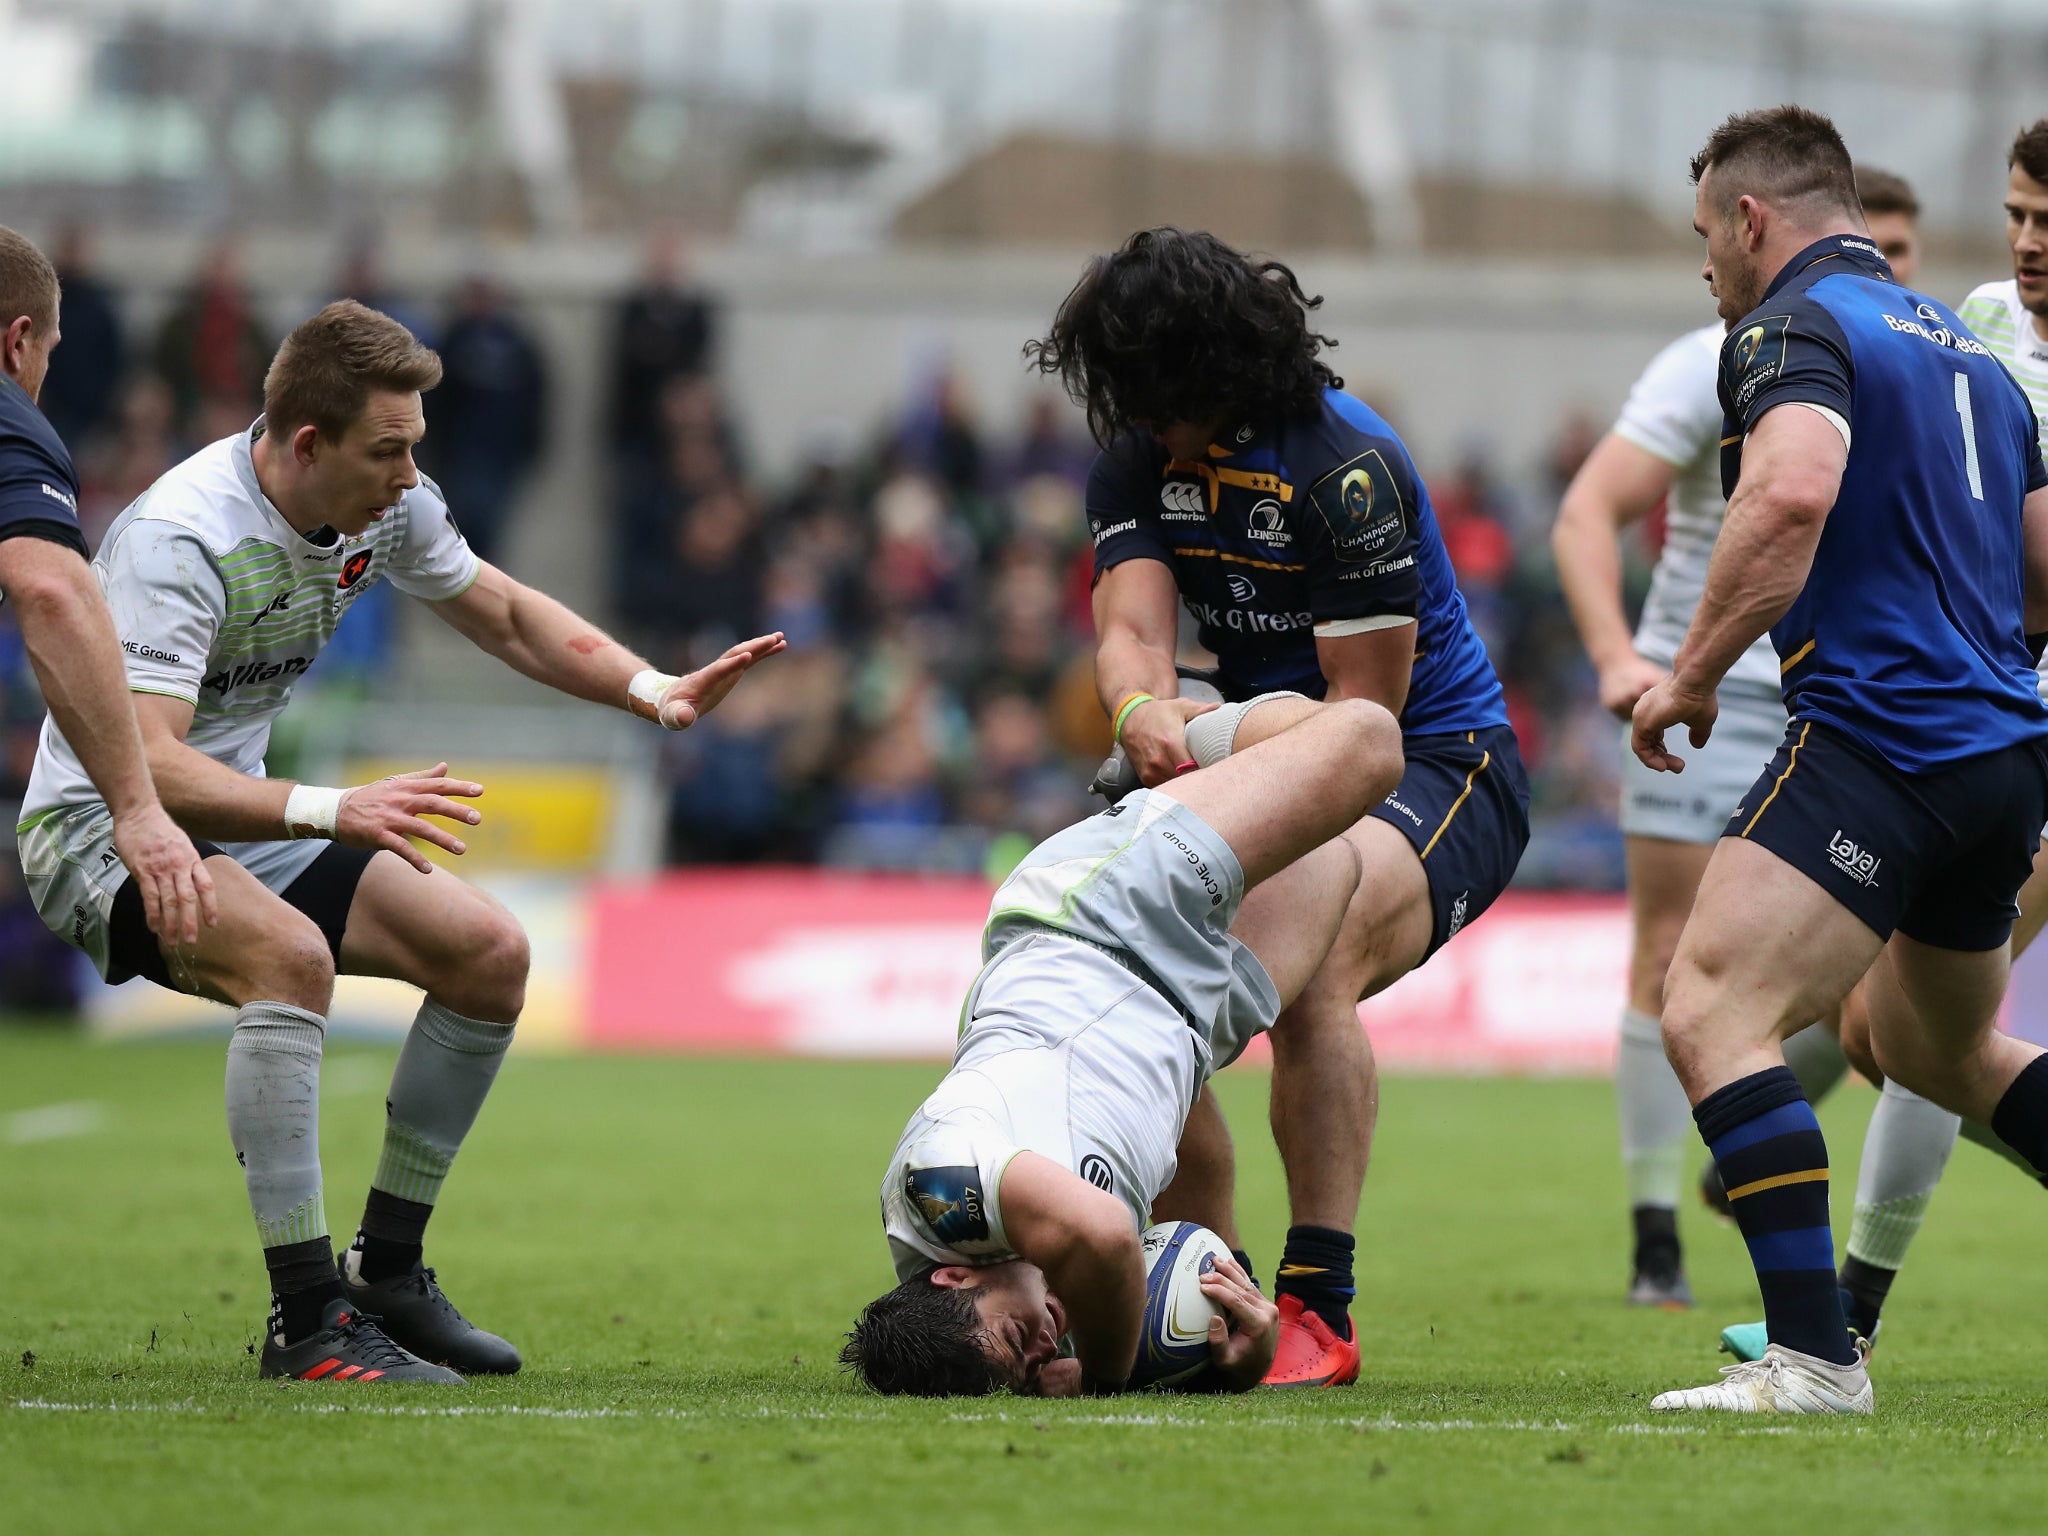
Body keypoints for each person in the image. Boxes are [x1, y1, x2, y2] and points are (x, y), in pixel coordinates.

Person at [16, 300, 784, 1385]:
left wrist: (649, 688)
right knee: (292, 961)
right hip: (103, 824)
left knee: (489, 955)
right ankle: (306, 1322)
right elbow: (147, 761)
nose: (412, 475)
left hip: (234, 813)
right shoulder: (181, 536)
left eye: (416, 445)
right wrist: (333, 807)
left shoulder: (386, 502)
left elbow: (505, 614)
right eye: (391, 450)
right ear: (305, 444)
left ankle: (387, 1270)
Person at [1028, 228, 1528, 1388]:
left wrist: (1184, 727)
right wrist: (1136, 708)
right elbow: (1129, 636)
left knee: (1314, 963)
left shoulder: (1344, 467)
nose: (1137, 418)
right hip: (1259, 755)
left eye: (1150, 391)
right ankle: (1209, 1289)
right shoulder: (1138, 456)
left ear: (1209, 366)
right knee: (1147, 984)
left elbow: (1363, 721)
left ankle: (1319, 1309)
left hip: (1434, 770)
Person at [1635, 106, 2048, 1415]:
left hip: (1884, 738)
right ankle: (1823, 1342)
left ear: (1751, 222)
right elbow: (2042, 570)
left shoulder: (1787, 327)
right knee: (1949, 1056)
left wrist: (1689, 673)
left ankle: (1816, 1359)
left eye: (1707, 238)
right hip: (2003, 764)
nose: (1707, 270)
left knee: (1706, 1007)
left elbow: (1793, 490)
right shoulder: (1971, 353)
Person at [1552, 164, 1925, 1310]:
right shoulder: (1714, 358)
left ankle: (1750, 1141)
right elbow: (1585, 512)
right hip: (1701, 690)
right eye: (1884, 247)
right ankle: (1654, 1232)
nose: (1895, 271)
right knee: (1672, 958)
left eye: (1908, 253)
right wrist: (1625, 658)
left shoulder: (1914, 353)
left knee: (1870, 1000)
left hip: (1844, 700)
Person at [843, 692, 1403, 1396]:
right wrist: (1235, 1339)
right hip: (1193, 1018)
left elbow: (1107, 1235)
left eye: (1019, 1336)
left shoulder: (938, 1188)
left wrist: (1108, 1378)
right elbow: (1179, 1173)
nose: (1047, 1345)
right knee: (1337, 858)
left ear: (955, 1275)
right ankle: (1189, 768)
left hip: (1106, 920)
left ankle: (1166, 734)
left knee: (1369, 741)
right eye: (1033, 1366)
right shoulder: (1036, 1286)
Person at [0, 226, 212, 948]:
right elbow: (53, 592)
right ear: (18, 341)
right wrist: (137, 808)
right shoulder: (11, 419)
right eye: (49, 356)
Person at [421, 277, 547, 567]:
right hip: (460, 456)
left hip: (501, 457)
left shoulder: (517, 343)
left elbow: (535, 399)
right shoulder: (452, 340)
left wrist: (530, 448)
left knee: (489, 540)